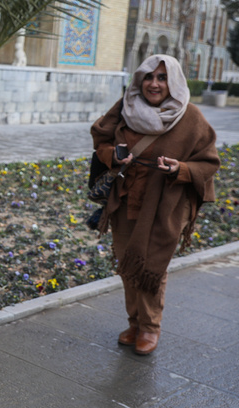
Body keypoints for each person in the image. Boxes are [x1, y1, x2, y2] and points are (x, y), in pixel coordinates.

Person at [90, 54, 219, 356]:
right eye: (148, 76)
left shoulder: (191, 117)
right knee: (128, 264)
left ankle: (150, 327)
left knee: (151, 267)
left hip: (165, 205)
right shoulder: (125, 107)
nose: (154, 83)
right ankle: (134, 322)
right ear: (139, 79)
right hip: (124, 199)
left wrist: (180, 169)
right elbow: (101, 140)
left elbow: (210, 162)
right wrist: (113, 155)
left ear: (173, 82)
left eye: (162, 77)